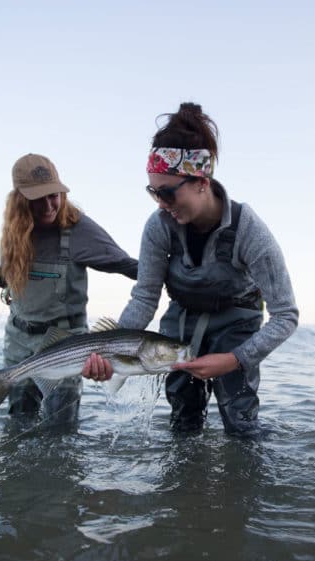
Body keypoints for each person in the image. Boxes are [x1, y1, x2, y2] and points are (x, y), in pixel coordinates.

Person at [83, 103, 298, 436]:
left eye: (167, 192)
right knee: (183, 421)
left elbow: (286, 316)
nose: (161, 204)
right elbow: (144, 298)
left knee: (241, 424)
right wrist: (111, 351)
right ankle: (183, 487)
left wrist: (235, 359)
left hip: (237, 326)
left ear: (201, 179)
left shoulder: (249, 230)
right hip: (180, 326)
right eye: (153, 192)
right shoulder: (158, 227)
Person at [0, 153, 137, 424]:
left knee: (60, 431)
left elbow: (130, 267)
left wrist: (180, 279)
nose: (50, 205)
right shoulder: (15, 232)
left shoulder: (81, 229)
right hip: (18, 338)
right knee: (18, 424)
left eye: (54, 195)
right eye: (39, 198)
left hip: (65, 344)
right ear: (20, 200)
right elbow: (9, 280)